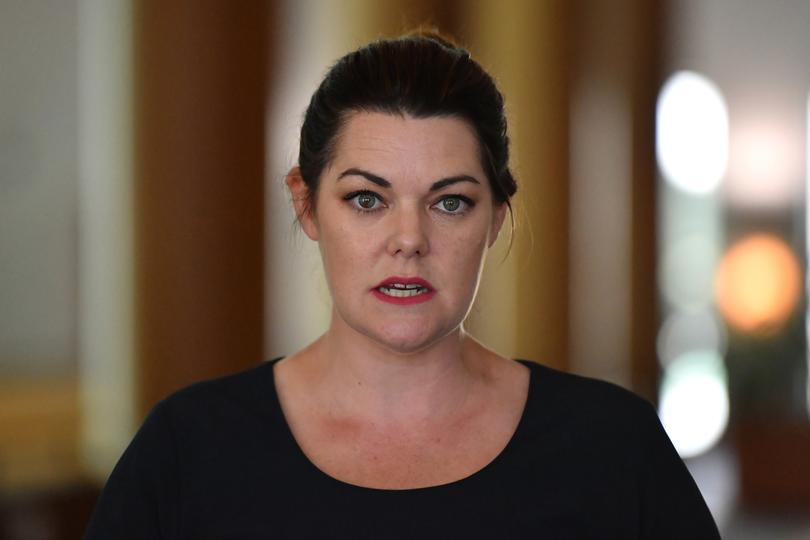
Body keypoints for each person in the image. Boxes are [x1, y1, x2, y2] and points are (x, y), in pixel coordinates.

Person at [84, 32, 720, 539]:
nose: (409, 239)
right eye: (366, 199)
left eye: (450, 203)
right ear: (306, 206)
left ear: (495, 218)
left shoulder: (613, 450)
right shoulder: (188, 450)